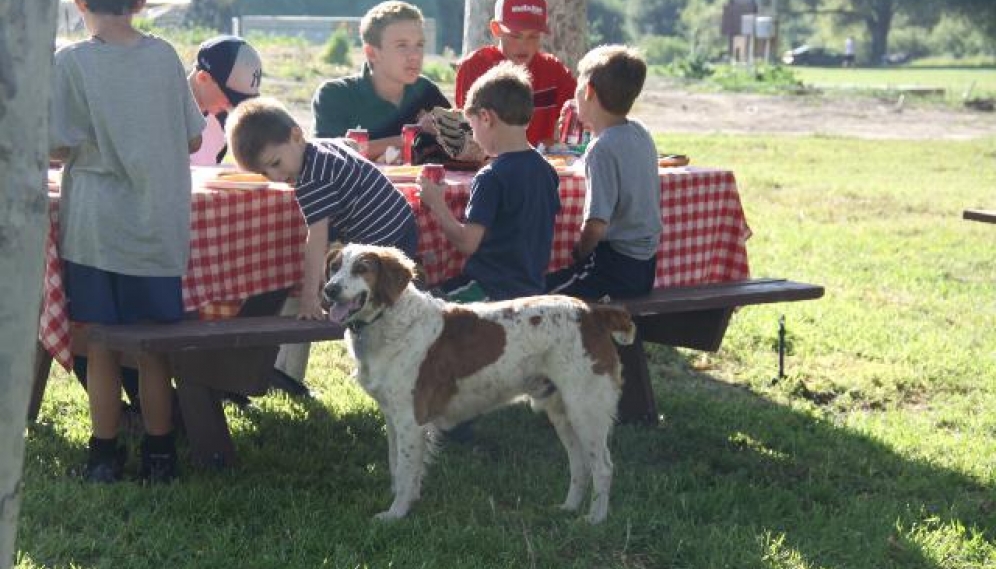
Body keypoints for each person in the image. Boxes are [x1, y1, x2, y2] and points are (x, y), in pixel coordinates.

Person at [50, 0, 205, 483]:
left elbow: (56, 144)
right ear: (139, 4)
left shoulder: (71, 62)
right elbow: (194, 139)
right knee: (153, 346)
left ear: (78, 3)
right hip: (157, 225)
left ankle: (104, 456)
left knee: (99, 345)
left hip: (97, 229)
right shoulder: (163, 56)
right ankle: (160, 455)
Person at [226, 97, 419, 321]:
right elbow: (351, 145)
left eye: (276, 163)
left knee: (382, 314)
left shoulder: (311, 179)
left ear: (296, 136)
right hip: (403, 222)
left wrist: (309, 297)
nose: (276, 177)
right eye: (266, 173)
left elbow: (316, 238)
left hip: (383, 242)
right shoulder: (320, 148)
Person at [420, 61, 560, 304]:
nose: (472, 135)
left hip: (488, 289)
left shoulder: (491, 177)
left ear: (485, 117)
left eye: (471, 126)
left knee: (421, 309)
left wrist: (436, 204)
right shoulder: (546, 170)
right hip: (532, 289)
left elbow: (467, 244)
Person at [545, 45, 662, 301]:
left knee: (543, 293)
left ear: (588, 91)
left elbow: (596, 223)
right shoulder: (640, 132)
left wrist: (581, 251)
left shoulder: (602, 148)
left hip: (614, 266)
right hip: (646, 266)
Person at [311, 1, 449, 162]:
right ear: (372, 53)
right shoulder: (334, 95)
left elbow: (464, 139)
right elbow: (326, 156)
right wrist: (414, 134)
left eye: (419, 45)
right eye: (402, 45)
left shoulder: (426, 91)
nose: (415, 55)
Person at [454, 0, 575, 147]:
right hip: (492, 165)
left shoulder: (554, 71)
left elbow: (581, 114)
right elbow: (466, 131)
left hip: (540, 166)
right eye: (515, 36)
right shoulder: (474, 67)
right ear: (496, 28)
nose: (524, 45)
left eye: (533, 36)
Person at [188, 35, 263, 166]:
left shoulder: (223, 120)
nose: (233, 108)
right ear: (203, 78)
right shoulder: (160, 111)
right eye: (231, 98)